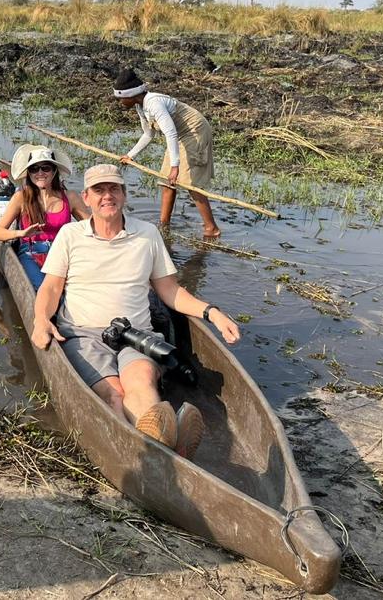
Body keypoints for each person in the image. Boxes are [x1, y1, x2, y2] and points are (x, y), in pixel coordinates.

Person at [32, 163, 241, 459]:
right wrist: (41, 320)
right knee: (114, 394)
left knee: (141, 379)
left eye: (114, 189)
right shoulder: (70, 235)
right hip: (82, 333)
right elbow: (51, 288)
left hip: (136, 333)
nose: (108, 196)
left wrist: (212, 313)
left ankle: (163, 445)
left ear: (124, 195)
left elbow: (169, 291)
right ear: (86, 198)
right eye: (99, 190)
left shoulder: (147, 234)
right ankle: (151, 452)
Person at [113, 69, 221, 237]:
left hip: (194, 131)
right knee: (166, 181)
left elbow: (170, 133)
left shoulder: (153, 103)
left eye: (121, 99)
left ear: (131, 95)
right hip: (179, 135)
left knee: (190, 181)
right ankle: (164, 225)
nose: (120, 102)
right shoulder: (141, 107)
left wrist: (175, 166)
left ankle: (211, 228)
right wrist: (131, 155)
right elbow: (149, 134)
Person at [0, 144, 89, 289]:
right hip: (31, 253)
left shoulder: (70, 197)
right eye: (34, 168)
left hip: (61, 254)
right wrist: (21, 233)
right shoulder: (21, 198)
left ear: (54, 170)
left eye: (46, 168)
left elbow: (92, 227)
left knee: (74, 290)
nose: (40, 173)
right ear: (29, 173)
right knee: (44, 290)